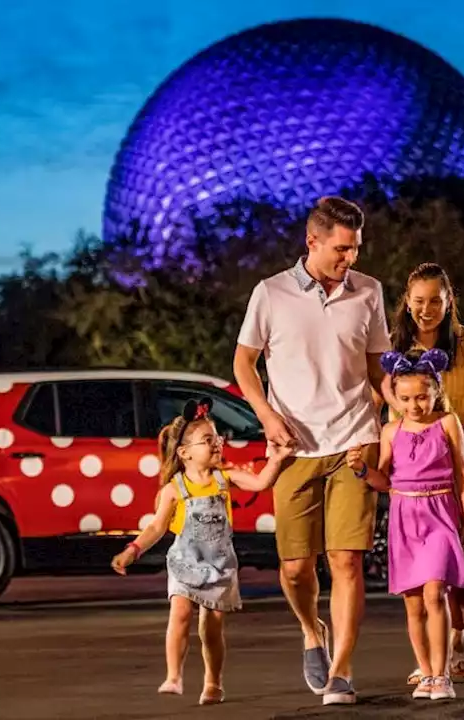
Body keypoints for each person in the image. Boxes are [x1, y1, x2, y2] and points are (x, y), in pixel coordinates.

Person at [232, 196, 391, 706]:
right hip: (293, 449)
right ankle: (311, 631)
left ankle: (341, 671)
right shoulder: (271, 294)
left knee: (346, 561)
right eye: (342, 249)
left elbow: (377, 371)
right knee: (297, 569)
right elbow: (243, 364)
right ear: (313, 241)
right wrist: (266, 414)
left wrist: (404, 418)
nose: (351, 259)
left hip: (354, 442)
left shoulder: (369, 292)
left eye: (356, 249)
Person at [110, 397, 293, 705]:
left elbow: (261, 483)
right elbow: (156, 527)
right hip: (185, 562)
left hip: (219, 564)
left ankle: (213, 681)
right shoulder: (174, 488)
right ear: (184, 453)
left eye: (218, 438)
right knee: (179, 613)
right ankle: (173, 675)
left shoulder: (226, 478)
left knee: (212, 626)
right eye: (208, 440)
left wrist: (277, 459)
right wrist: (134, 549)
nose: (217, 443)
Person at [383, 262, 464, 682]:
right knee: (419, 566)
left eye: (436, 300)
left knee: (462, 548)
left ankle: (458, 631)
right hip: (412, 467)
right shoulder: (393, 345)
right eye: (418, 301)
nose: (427, 309)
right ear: (406, 303)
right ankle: (431, 657)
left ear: (450, 302)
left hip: (460, 455)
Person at [349, 348, 464, 701]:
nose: (414, 405)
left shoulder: (447, 423)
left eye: (421, 397)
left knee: (436, 593)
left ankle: (443, 673)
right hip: (405, 516)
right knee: (414, 602)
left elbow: (462, 474)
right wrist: (360, 469)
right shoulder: (391, 430)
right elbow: (384, 480)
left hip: (440, 511)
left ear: (435, 391)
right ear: (396, 397)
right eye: (405, 398)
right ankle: (427, 673)